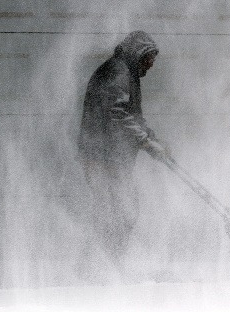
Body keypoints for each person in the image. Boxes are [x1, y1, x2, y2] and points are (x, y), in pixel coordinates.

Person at [76, 31, 167, 281]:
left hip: (110, 157)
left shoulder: (125, 72)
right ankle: (102, 267)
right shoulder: (118, 72)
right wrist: (147, 142)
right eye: (148, 59)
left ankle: (101, 265)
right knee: (118, 209)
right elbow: (117, 113)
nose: (150, 66)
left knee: (117, 209)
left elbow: (131, 115)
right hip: (102, 156)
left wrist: (152, 139)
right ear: (138, 54)